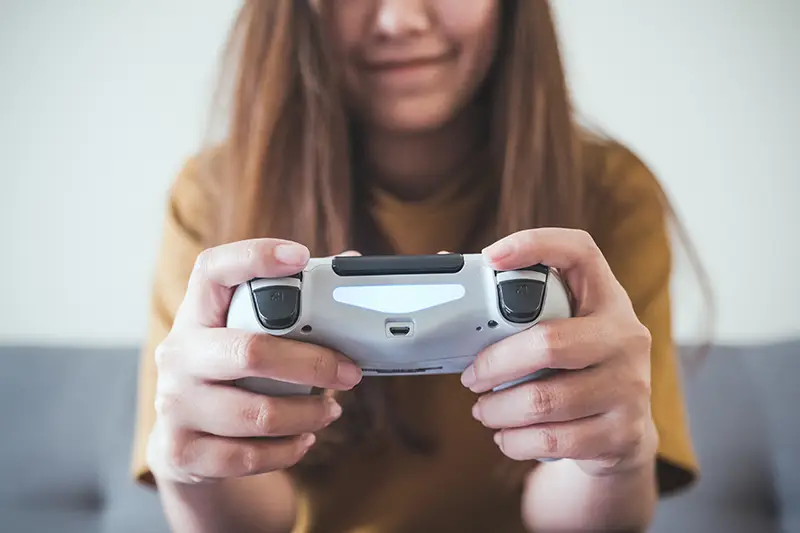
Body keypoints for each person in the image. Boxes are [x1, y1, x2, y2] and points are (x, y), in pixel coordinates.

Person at [132, 1, 702, 531]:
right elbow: (255, 517)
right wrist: (190, 465)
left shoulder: (609, 193)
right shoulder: (214, 194)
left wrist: (615, 458)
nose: (400, 19)